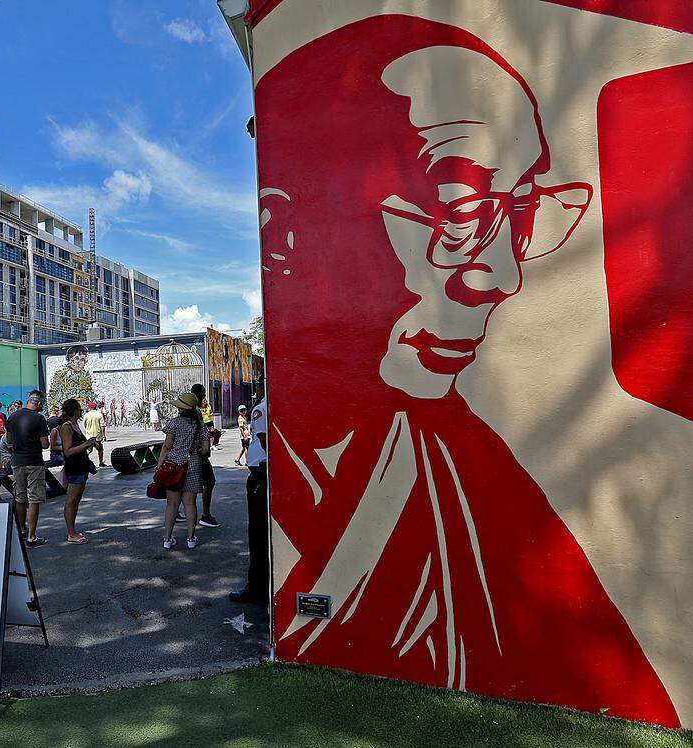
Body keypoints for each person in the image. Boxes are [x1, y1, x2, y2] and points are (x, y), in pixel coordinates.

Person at [254, 16, 677, 726]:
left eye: (519, 213)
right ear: (285, 238)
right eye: (461, 209)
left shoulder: (473, 472)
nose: (502, 275)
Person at [154, 392, 210, 550]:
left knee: (172, 504)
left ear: (181, 408)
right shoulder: (200, 425)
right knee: (190, 503)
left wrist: (159, 466)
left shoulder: (174, 423)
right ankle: (191, 539)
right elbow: (206, 450)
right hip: (193, 466)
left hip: (173, 465)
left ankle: (167, 539)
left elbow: (166, 446)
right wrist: (195, 451)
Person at [229, 393, 268, 605]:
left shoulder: (261, 409)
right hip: (265, 474)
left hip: (261, 475)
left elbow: (265, 442)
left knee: (258, 534)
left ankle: (256, 587)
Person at [6, 390, 50, 547]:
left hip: (17, 462)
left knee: (20, 497)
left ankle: (22, 530)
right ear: (37, 403)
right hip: (34, 462)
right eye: (41, 405)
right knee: (34, 499)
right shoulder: (39, 418)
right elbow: (45, 444)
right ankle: (32, 537)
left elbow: (9, 440)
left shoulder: (13, 417)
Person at [58, 398, 99, 544]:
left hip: (81, 466)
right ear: (74, 410)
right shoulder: (67, 427)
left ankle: (73, 530)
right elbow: (68, 451)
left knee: (75, 500)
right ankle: (71, 533)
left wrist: (90, 444)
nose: (81, 411)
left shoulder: (75, 425)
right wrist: (86, 443)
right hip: (74, 467)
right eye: (79, 408)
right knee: (71, 501)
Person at [191, 384, 221, 528]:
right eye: (203, 394)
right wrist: (209, 443)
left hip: (185, 454)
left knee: (185, 486)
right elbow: (201, 434)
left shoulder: (185, 412)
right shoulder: (196, 413)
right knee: (209, 482)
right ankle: (205, 515)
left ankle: (177, 510)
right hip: (198, 455)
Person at [82, 401, 107, 467]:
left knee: (88, 450)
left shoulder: (86, 415)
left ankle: (84, 462)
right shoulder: (99, 414)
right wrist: (103, 435)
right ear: (95, 407)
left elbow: (85, 425)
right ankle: (101, 463)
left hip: (89, 436)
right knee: (100, 449)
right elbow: (102, 426)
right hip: (97, 436)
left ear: (89, 407)